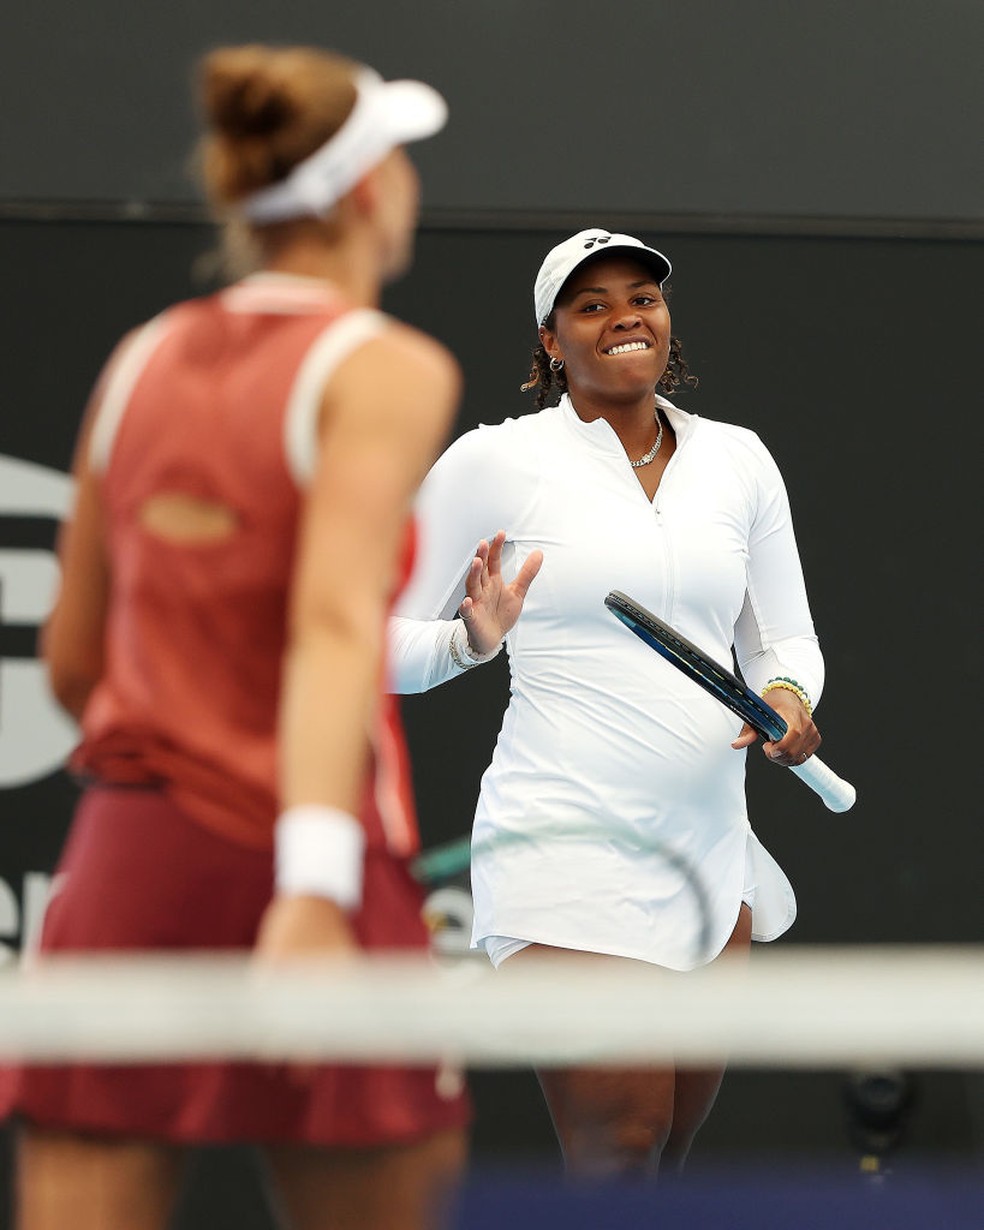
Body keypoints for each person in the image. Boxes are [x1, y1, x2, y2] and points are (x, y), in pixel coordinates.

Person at [0, 43, 470, 1230]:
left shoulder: (139, 359)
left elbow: (72, 659)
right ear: (367, 192)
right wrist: (306, 888)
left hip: (129, 867)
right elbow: (328, 621)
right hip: (312, 858)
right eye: (403, 161)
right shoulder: (389, 369)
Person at [390, 228, 826, 1177]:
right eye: (592, 305)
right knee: (616, 1150)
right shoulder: (491, 464)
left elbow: (784, 641)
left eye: (643, 298)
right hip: (565, 846)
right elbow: (372, 647)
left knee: (664, 1159)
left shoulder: (740, 461)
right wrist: (469, 641)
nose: (626, 316)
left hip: (713, 854)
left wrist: (789, 695)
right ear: (551, 341)